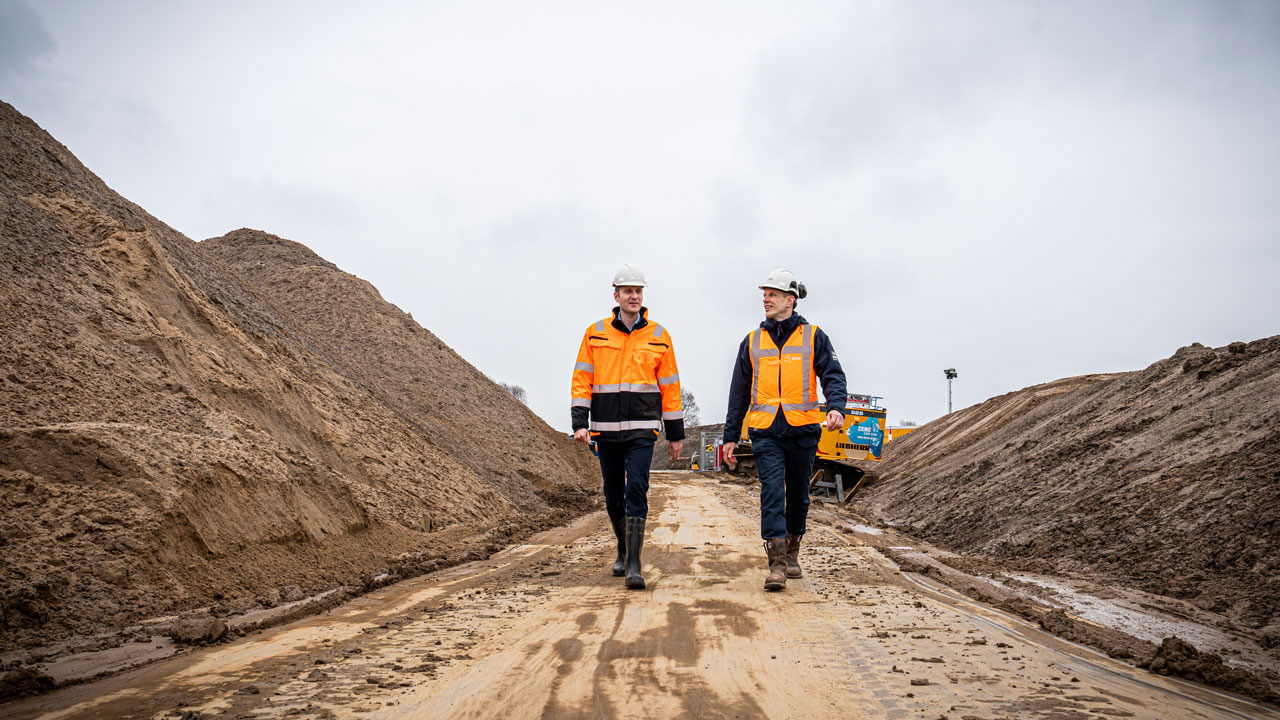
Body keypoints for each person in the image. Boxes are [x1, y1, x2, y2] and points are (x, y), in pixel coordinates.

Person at [721, 269, 847, 591]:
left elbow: (833, 375)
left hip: (803, 430)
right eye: (764, 294)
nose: (765, 299)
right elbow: (738, 393)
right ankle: (776, 562)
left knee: (799, 497)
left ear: (790, 300)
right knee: (773, 492)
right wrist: (730, 437)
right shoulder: (751, 341)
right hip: (765, 432)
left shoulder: (814, 336)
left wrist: (835, 406)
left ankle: (792, 552)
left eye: (772, 294)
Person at [571, 263, 684, 590]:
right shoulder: (596, 333)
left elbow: (670, 387)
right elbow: (582, 379)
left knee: (636, 488)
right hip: (604, 429)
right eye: (628, 291)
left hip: (642, 430)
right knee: (612, 495)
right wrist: (580, 422)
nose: (634, 296)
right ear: (616, 294)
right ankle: (622, 549)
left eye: (638, 291)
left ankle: (635, 562)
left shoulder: (659, 336)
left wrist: (675, 434)